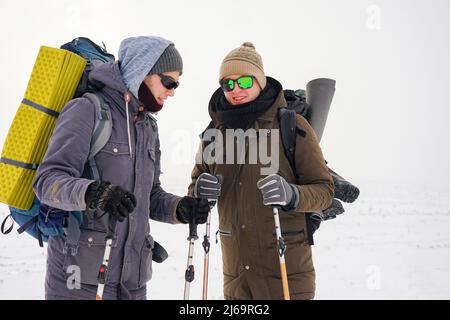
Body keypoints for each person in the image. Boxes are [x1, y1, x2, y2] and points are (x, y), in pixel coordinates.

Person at [33, 36, 210, 300]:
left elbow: (149, 196)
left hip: (133, 282)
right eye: (168, 82)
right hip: (79, 281)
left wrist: (179, 209)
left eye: (177, 85)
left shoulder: (148, 126)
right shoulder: (87, 110)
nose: (172, 91)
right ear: (142, 71)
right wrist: (94, 193)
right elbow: (47, 182)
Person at [188, 42, 334, 300]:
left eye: (244, 82)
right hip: (237, 278)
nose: (236, 90)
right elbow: (195, 189)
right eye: (228, 84)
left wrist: (292, 195)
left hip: (287, 275)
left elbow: (324, 191)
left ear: (260, 81)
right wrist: (199, 190)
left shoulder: (291, 124)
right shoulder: (213, 134)